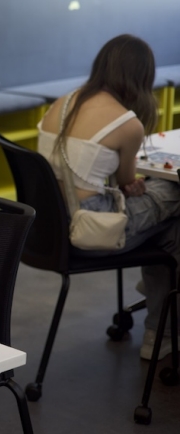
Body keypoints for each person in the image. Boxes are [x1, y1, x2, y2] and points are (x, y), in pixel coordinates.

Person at [36, 34, 180, 360]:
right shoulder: (128, 124)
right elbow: (129, 182)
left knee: (171, 236)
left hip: (50, 228)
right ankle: (160, 333)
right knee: (174, 193)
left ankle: (161, 322)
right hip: (93, 227)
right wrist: (135, 185)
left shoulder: (61, 104)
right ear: (141, 76)